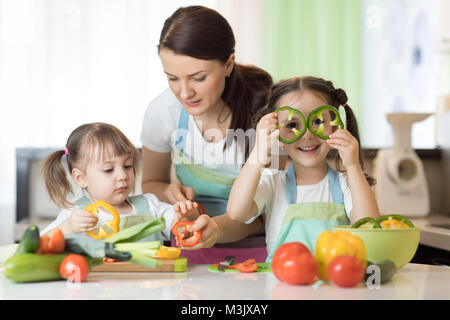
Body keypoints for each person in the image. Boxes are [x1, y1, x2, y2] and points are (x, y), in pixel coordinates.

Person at [140, 6, 273, 263]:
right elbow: (151, 183)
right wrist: (168, 192)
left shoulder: (264, 115)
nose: (185, 92)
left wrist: (214, 229)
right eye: (172, 78)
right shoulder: (163, 112)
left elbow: (265, 211)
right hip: (187, 247)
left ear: (228, 64)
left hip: (256, 253)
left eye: (198, 78)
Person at [227, 76, 380, 262]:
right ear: (278, 135)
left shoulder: (346, 183)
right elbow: (236, 212)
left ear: (334, 126)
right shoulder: (273, 182)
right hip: (281, 288)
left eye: (317, 122)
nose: (307, 135)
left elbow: (368, 225)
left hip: (334, 287)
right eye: (292, 125)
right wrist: (259, 152)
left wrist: (353, 166)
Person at [40, 122, 201, 243]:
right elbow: (40, 244)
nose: (122, 175)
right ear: (80, 178)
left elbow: (183, 231)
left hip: (151, 286)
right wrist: (67, 227)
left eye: (127, 166)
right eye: (108, 170)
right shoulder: (76, 214)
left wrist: (188, 217)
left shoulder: (151, 206)